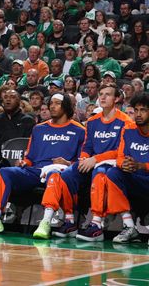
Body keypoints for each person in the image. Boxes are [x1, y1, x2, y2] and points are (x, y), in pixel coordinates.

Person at [0, 93, 85, 235]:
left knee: (55, 174)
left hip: (59, 172)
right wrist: (25, 162)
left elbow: (82, 161)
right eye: (51, 103)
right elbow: (30, 156)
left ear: (66, 106)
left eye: (57, 103)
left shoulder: (79, 130)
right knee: (5, 172)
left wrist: (68, 163)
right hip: (35, 171)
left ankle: (45, 223)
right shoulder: (39, 128)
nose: (52, 106)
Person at [40, 85, 134, 240]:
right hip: (91, 161)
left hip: (111, 163)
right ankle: (69, 220)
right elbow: (88, 145)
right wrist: (84, 158)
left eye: (108, 95)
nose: (103, 98)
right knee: (66, 174)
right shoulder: (92, 121)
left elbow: (121, 150)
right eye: (101, 94)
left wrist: (95, 159)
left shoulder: (126, 121)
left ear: (116, 99)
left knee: (100, 173)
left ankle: (96, 224)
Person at [102, 92, 149, 244]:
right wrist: (124, 164)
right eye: (136, 110)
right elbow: (120, 157)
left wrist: (142, 165)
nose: (138, 114)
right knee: (113, 173)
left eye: (143, 110)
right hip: (135, 178)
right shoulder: (128, 129)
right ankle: (129, 226)